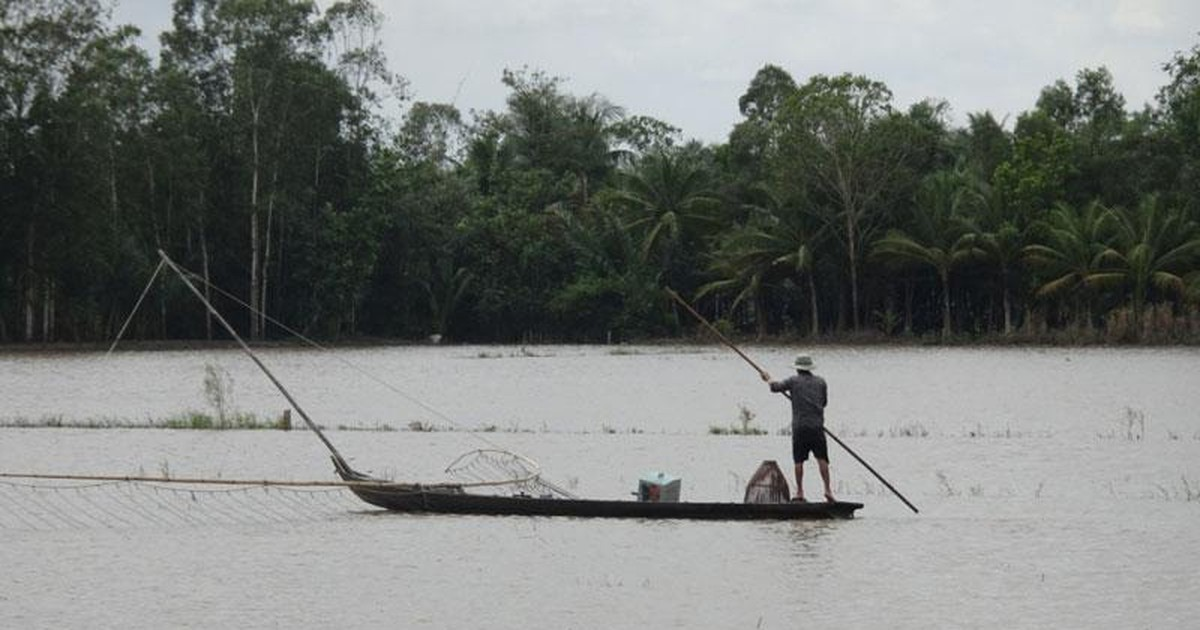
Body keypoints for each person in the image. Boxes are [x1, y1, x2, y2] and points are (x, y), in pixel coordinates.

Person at [764, 354, 834, 503]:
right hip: (817, 427)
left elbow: (775, 387)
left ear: (798, 369)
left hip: (800, 427)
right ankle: (827, 489)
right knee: (822, 459)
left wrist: (768, 378)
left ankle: (800, 491)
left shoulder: (793, 381)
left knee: (798, 461)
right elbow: (824, 402)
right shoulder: (821, 382)